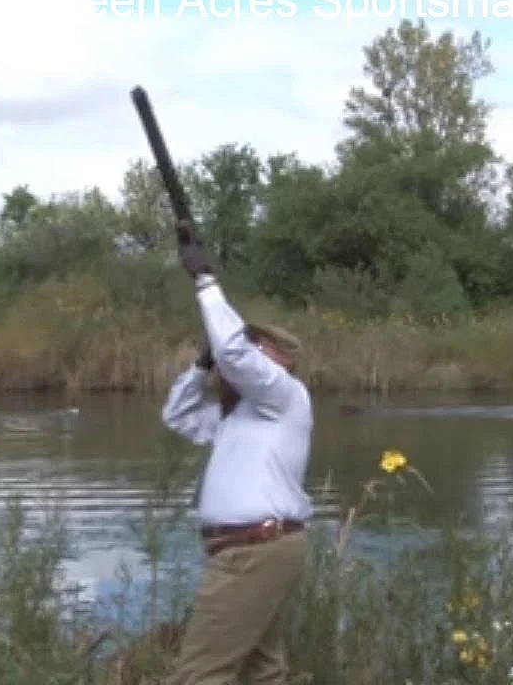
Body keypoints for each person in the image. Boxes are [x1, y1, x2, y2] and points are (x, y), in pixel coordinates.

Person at [160, 219, 314, 685]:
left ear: (281, 361)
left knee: (199, 677)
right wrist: (202, 363)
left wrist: (204, 279)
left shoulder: (284, 395)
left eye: (257, 344)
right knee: (263, 673)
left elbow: (235, 354)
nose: (246, 347)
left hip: (255, 550)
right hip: (257, 550)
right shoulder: (239, 415)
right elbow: (177, 414)